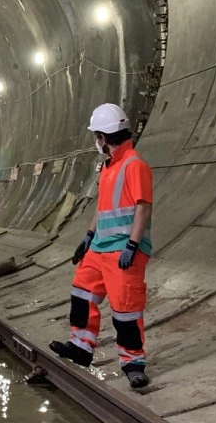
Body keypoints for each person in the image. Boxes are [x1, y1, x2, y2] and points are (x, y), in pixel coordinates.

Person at [50, 103, 153, 389]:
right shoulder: (108, 166)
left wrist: (132, 245)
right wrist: (87, 237)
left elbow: (143, 208)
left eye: (97, 136)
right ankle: (81, 346)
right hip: (99, 248)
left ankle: (133, 363)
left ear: (104, 137)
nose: (96, 141)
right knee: (82, 293)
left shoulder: (135, 165)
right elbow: (103, 206)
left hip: (123, 250)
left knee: (126, 311)